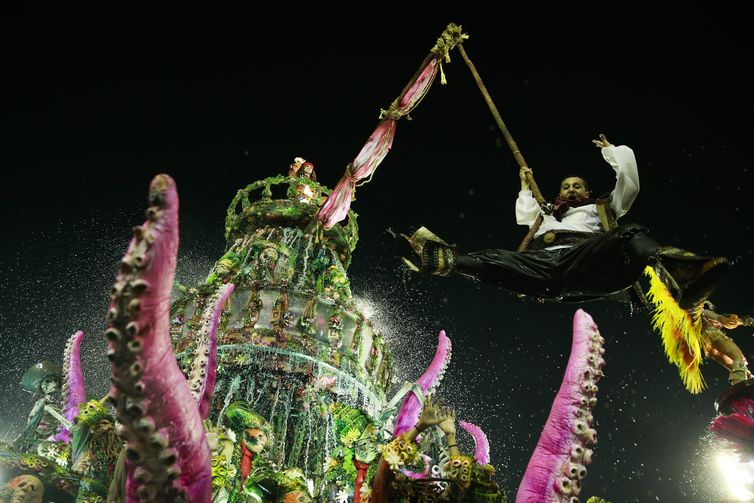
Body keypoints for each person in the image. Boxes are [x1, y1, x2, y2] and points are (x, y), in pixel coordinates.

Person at [395, 134, 729, 310]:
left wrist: (613, 154)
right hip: (547, 269)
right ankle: (433, 259)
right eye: (566, 186)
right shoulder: (547, 214)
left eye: (577, 186)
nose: (571, 189)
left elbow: (631, 184)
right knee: (495, 259)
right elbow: (524, 215)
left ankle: (679, 274)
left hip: (589, 262)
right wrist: (526, 187)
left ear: (587, 189)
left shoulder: (603, 206)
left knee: (628, 232)